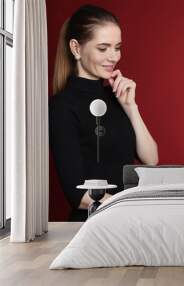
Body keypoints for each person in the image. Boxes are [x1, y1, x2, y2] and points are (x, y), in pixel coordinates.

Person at [49, 5, 158, 221]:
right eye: (103, 48)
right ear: (76, 48)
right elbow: (78, 194)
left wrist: (131, 107)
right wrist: (132, 208)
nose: (114, 56)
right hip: (93, 226)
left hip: (125, 222)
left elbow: (151, 159)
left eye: (117, 47)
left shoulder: (117, 97)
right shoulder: (63, 106)